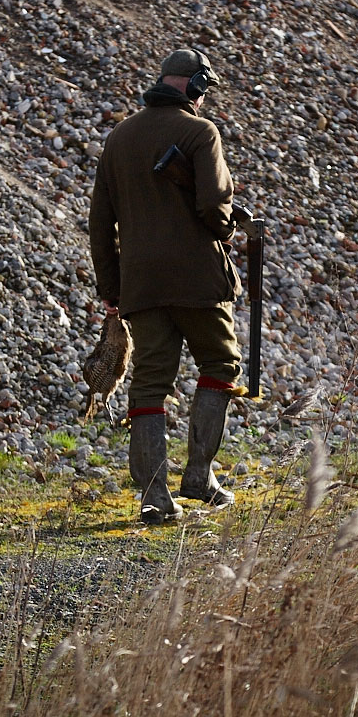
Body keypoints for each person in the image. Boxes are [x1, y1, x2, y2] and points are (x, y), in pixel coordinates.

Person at [88, 48, 247, 524]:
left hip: (141, 285)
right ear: (195, 87)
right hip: (198, 279)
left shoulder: (119, 137)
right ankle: (198, 475)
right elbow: (214, 208)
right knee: (220, 363)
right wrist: (227, 226)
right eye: (204, 90)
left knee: (150, 382)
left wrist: (111, 290)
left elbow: (100, 223)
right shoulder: (200, 132)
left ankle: (155, 496)